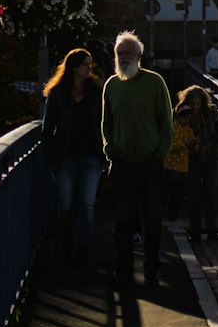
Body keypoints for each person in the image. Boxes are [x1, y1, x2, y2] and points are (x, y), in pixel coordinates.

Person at [101, 30, 174, 290]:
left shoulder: (155, 83)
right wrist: (110, 149)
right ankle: (124, 271)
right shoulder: (111, 85)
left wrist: (158, 155)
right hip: (121, 164)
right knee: (122, 222)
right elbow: (106, 124)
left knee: (152, 223)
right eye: (119, 53)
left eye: (127, 53)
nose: (123, 57)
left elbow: (167, 124)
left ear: (139, 56)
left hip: (149, 164)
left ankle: (152, 273)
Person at [42, 48, 104, 266]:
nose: (90, 68)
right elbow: (48, 127)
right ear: (74, 67)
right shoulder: (58, 93)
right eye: (86, 64)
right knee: (66, 206)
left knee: (86, 203)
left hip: (91, 156)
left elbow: (105, 123)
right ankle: (66, 243)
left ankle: (81, 249)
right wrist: (51, 157)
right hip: (65, 155)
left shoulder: (96, 92)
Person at [178, 85, 218, 242]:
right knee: (194, 194)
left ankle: (211, 229)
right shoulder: (183, 113)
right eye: (193, 104)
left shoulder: (211, 112)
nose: (195, 107)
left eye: (198, 104)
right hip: (193, 158)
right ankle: (195, 231)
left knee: (210, 193)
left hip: (211, 156)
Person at [163, 98, 194, 223]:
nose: (187, 121)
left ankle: (173, 219)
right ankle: (172, 219)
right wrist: (184, 143)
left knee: (179, 193)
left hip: (182, 165)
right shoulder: (173, 128)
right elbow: (170, 146)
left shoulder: (187, 128)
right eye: (185, 118)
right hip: (172, 165)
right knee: (174, 193)